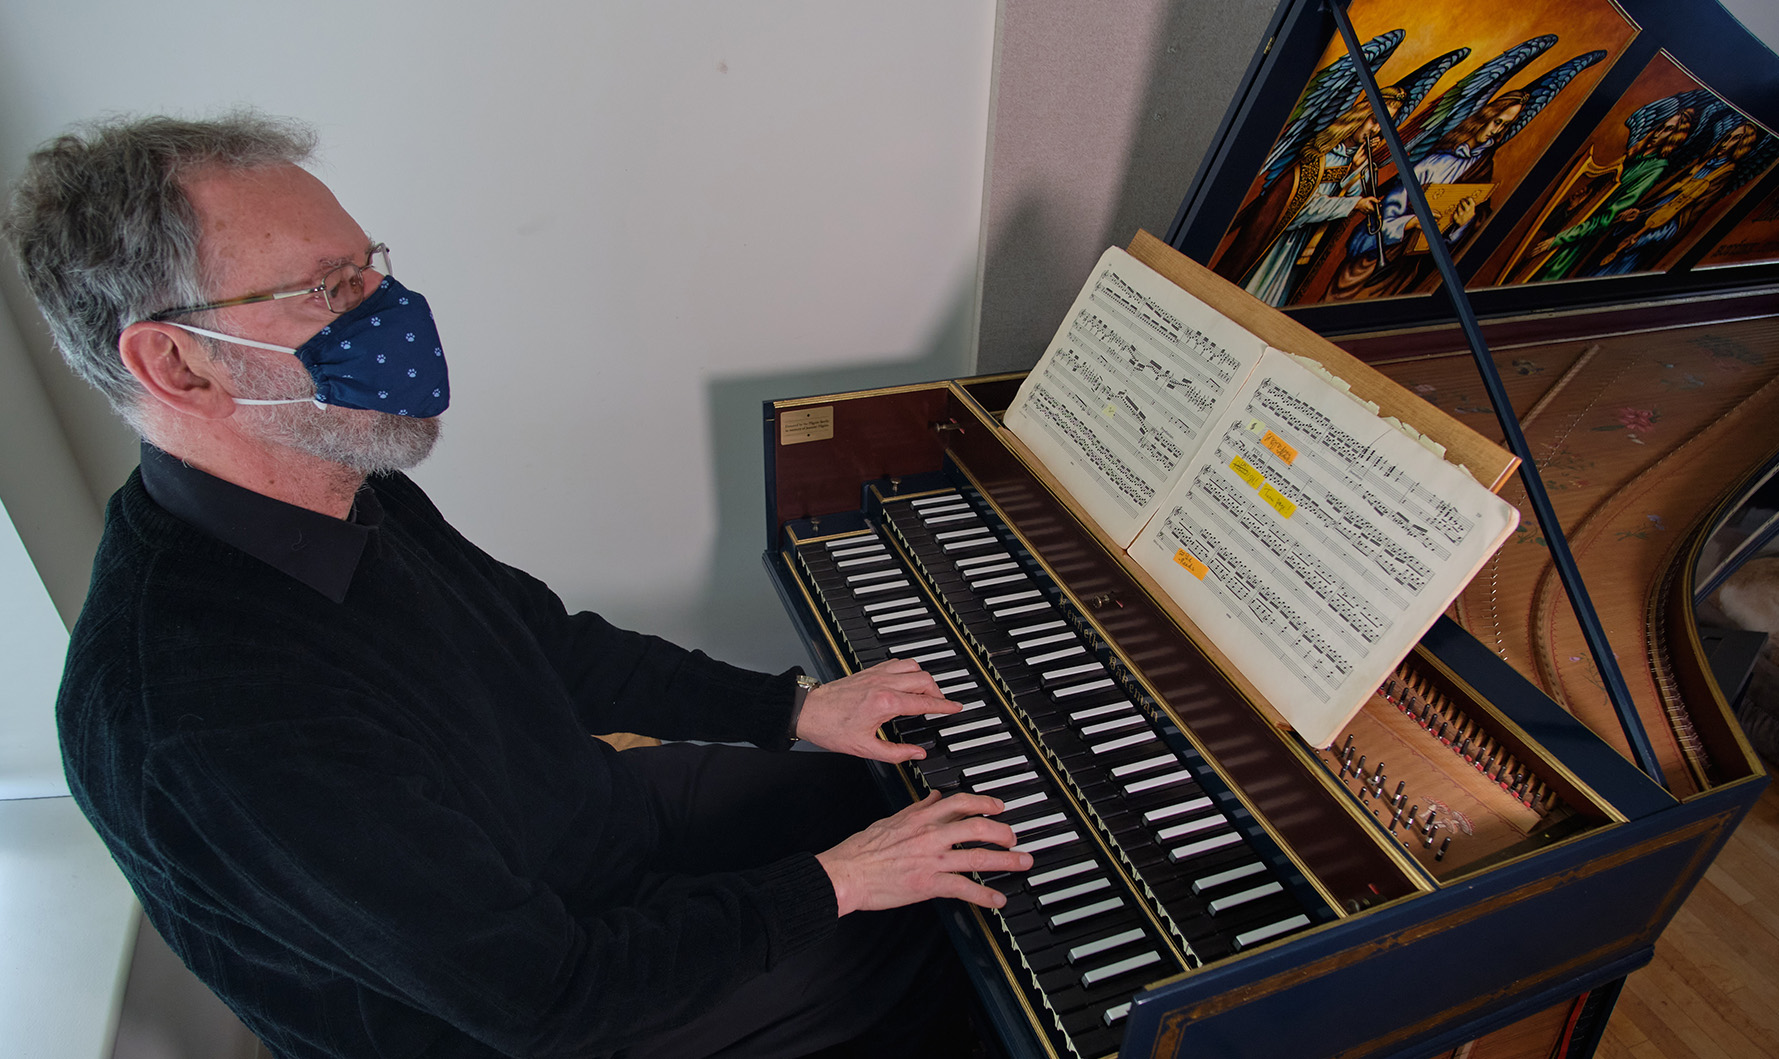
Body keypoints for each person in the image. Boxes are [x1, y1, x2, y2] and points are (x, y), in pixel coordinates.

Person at [3, 113, 1031, 1059]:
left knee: (902, 789)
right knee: (943, 946)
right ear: (179, 367)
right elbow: (548, 997)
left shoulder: (335, 478)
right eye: (329, 289)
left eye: (370, 268)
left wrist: (794, 709)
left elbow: (543, 642)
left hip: (585, 833)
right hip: (539, 1013)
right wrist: (847, 883)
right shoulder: (201, 717)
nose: (389, 311)